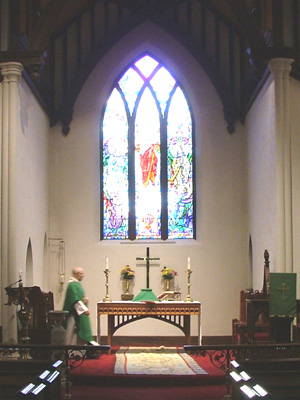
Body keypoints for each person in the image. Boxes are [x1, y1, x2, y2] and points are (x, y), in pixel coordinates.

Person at [63, 267, 98, 345]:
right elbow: (75, 300)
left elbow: (79, 298)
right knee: (71, 332)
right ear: (75, 274)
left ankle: (76, 351)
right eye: (81, 273)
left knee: (76, 332)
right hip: (73, 313)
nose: (83, 275)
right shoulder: (72, 285)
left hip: (78, 312)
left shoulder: (77, 284)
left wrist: (85, 300)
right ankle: (68, 350)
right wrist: (84, 309)